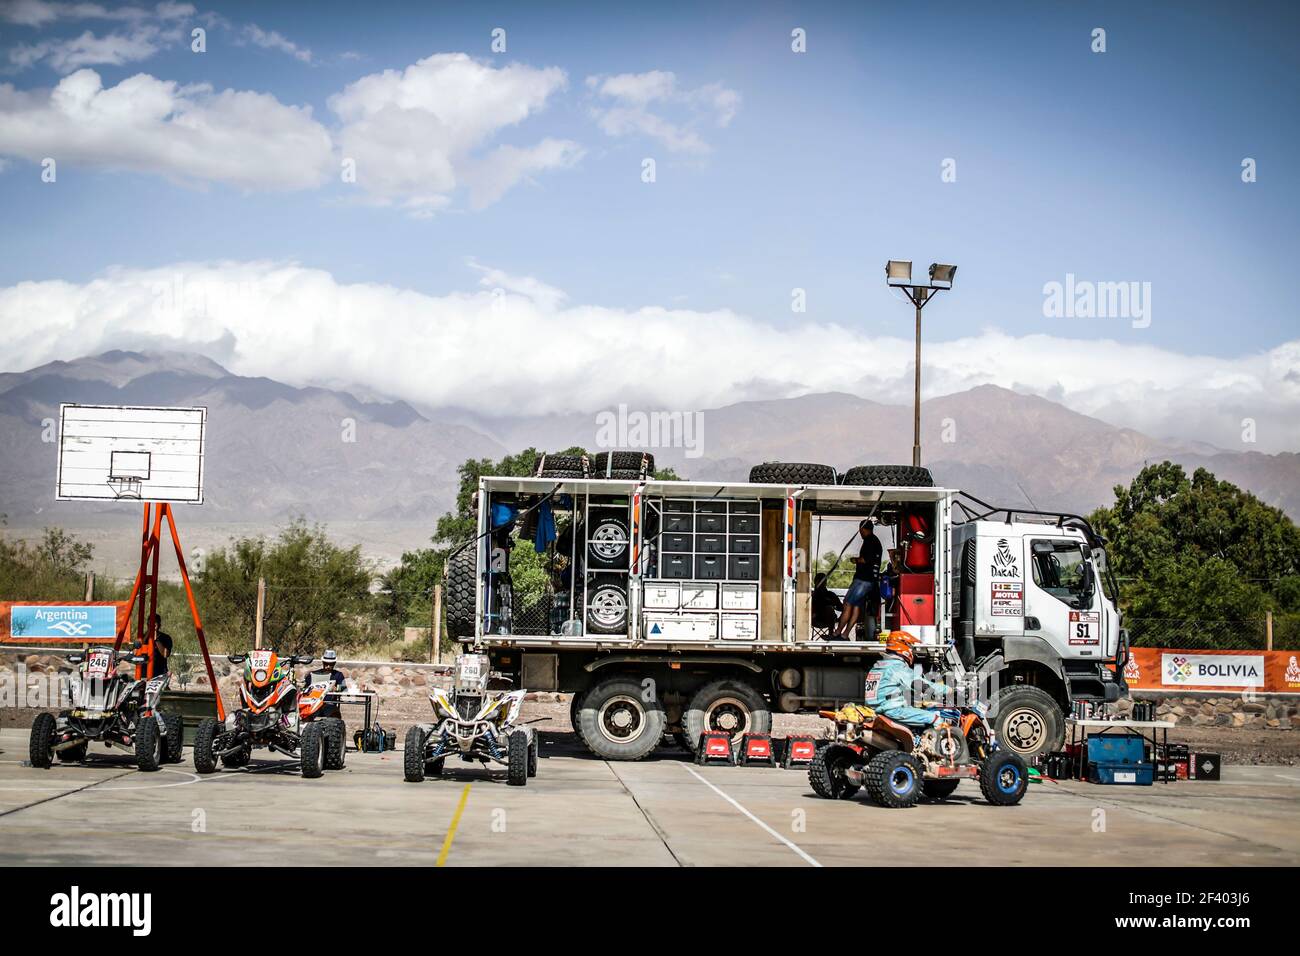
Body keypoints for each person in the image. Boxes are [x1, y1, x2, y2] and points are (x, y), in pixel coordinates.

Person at [864, 632, 952, 729]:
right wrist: (949, 690)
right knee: (935, 718)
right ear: (903, 646)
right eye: (910, 647)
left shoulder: (878, 666)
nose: (911, 650)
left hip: (875, 709)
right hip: (892, 710)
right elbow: (921, 685)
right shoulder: (897, 667)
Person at [834, 520, 883, 639]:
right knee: (856, 607)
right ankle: (845, 634)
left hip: (863, 580)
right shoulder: (874, 541)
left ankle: (838, 633)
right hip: (868, 580)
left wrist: (854, 560)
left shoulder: (870, 541)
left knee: (847, 603)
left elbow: (866, 559)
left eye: (861, 530)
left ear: (864, 529)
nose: (860, 533)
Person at [308, 649, 347, 719]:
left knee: (332, 713)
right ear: (323, 662)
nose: (328, 666)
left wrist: (337, 688)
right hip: (313, 703)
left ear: (334, 663)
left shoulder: (338, 675)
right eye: (326, 664)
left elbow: (344, 688)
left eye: (331, 664)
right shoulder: (313, 674)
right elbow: (305, 687)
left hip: (329, 704)